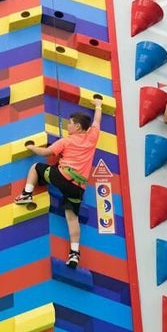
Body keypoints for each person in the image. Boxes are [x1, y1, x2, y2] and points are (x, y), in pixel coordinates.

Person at [15, 97, 103, 269]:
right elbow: (97, 121)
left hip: (61, 177)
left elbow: (47, 152)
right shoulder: (92, 137)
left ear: (77, 127)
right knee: (72, 218)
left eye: (70, 123)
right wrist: (98, 106)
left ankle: (27, 193)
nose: (68, 126)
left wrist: (32, 148)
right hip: (78, 187)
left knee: (36, 167)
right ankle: (74, 253)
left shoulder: (66, 141)